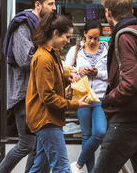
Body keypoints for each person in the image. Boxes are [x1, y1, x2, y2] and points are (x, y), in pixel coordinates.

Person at [93, 0, 137, 173]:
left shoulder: (125, 37)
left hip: (126, 120)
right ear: (132, 11)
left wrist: (109, 98)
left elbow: (132, 82)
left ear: (108, 12)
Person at [0, 0, 57, 173]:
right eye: (50, 4)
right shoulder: (23, 25)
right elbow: (25, 59)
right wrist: (50, 58)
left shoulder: (40, 26)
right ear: (38, 5)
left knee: (38, 143)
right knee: (27, 143)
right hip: (24, 93)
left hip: (36, 92)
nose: (54, 8)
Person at [26, 12, 90, 173]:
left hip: (47, 118)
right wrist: (75, 104)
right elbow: (47, 96)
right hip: (46, 119)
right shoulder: (43, 58)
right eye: (67, 37)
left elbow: (51, 77)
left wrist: (66, 76)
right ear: (55, 33)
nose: (68, 41)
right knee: (61, 168)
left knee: (40, 167)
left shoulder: (50, 54)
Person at [65, 19, 108, 173]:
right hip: (81, 98)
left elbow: (114, 75)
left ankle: (77, 165)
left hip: (100, 98)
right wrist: (78, 72)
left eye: (96, 38)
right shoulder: (75, 51)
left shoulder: (107, 50)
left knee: (99, 132)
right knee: (86, 135)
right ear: (84, 34)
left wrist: (98, 73)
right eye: (90, 37)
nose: (92, 41)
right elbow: (65, 72)